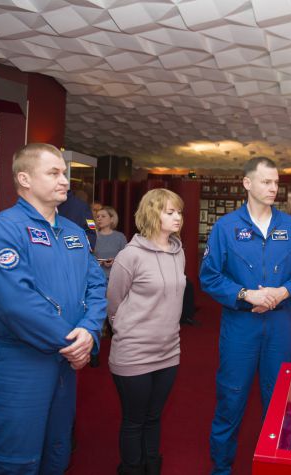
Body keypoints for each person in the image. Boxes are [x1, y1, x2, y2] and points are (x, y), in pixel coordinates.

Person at [0, 143, 107, 474]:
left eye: (64, 173)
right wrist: (73, 343)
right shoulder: (3, 229)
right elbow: (16, 303)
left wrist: (89, 330)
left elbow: (96, 287)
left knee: (57, 451)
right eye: (54, 173)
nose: (65, 180)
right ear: (25, 179)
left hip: (65, 363)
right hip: (20, 362)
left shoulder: (74, 232)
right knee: (15, 461)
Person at [200, 157, 291, 475]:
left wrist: (282, 292)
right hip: (240, 326)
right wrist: (245, 294)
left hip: (279, 326)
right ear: (247, 183)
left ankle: (275, 466)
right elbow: (209, 276)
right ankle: (221, 468)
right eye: (266, 182)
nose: (273, 188)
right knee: (231, 399)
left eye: (276, 182)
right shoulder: (225, 228)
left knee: (279, 401)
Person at [107, 188, 186, 475]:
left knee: (153, 417)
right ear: (152, 214)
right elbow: (113, 302)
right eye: (170, 212)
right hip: (134, 353)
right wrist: (127, 329)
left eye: (179, 212)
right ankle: (131, 469)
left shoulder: (178, 252)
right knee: (134, 420)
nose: (178, 217)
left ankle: (152, 467)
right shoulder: (130, 255)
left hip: (169, 352)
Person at [94, 206, 128, 280]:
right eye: (97, 216)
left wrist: (115, 261)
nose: (99, 219)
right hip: (96, 278)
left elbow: (127, 258)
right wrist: (94, 262)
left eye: (103, 216)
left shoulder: (120, 237)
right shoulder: (93, 236)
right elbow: (87, 257)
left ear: (112, 219)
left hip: (116, 278)